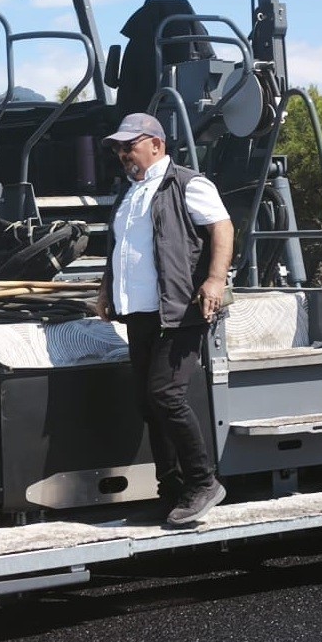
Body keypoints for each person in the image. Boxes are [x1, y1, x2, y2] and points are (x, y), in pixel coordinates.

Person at [95, 112, 234, 528]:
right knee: (148, 403)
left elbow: (223, 228)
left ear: (155, 144)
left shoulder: (187, 183)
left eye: (129, 145)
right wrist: (105, 289)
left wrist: (214, 279)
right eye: (119, 148)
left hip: (178, 312)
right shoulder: (130, 195)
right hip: (140, 313)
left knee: (166, 397)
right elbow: (121, 250)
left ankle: (203, 482)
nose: (123, 154)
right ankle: (171, 491)